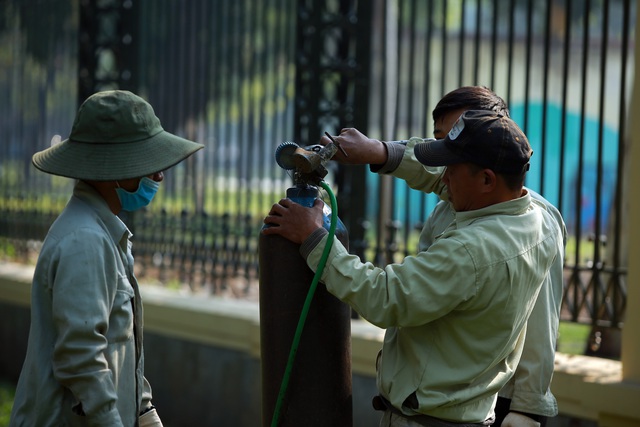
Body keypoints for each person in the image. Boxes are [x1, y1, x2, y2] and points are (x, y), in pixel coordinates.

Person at [264, 109, 563, 426]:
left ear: (487, 179)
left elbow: (383, 297)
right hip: (469, 413)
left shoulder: (471, 251)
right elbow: (441, 180)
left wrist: (314, 240)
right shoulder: (538, 220)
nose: (444, 177)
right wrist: (381, 152)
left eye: (452, 168)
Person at [10, 90, 204, 427]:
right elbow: (81, 361)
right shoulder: (85, 241)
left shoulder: (105, 233)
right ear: (112, 170)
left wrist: (145, 416)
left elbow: (121, 353)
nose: (159, 176)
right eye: (148, 163)